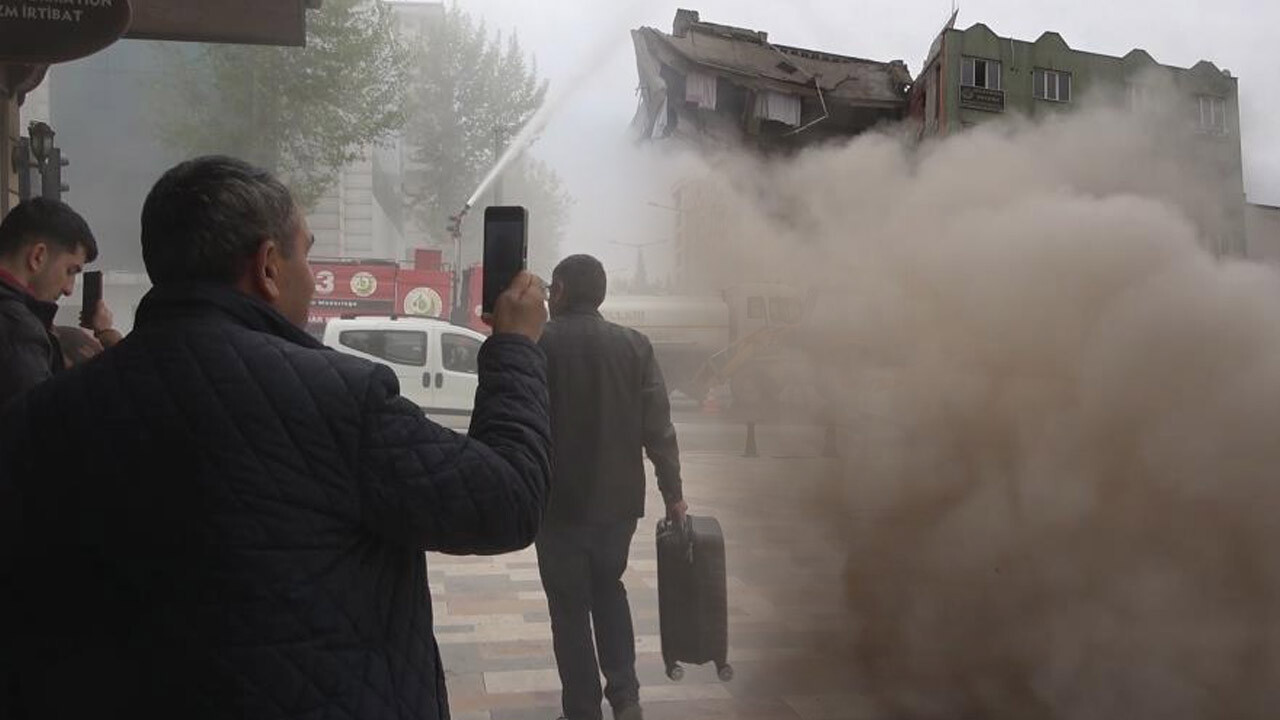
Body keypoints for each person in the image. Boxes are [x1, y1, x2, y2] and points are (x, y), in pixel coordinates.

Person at [0, 156, 553, 720]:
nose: (313, 278)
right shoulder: (339, 401)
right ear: (267, 267)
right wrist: (515, 348)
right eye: (307, 254)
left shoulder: (42, 416)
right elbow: (507, 500)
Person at [537, 254, 687, 720]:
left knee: (567, 606)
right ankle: (626, 697)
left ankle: (582, 709)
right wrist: (674, 494)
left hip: (556, 504)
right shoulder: (635, 346)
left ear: (559, 289)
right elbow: (659, 430)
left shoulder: (537, 344)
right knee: (609, 588)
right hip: (618, 505)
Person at [0, 197, 119, 406]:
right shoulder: (20, 331)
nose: (69, 289)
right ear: (38, 256)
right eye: (70, 271)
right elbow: (36, 427)